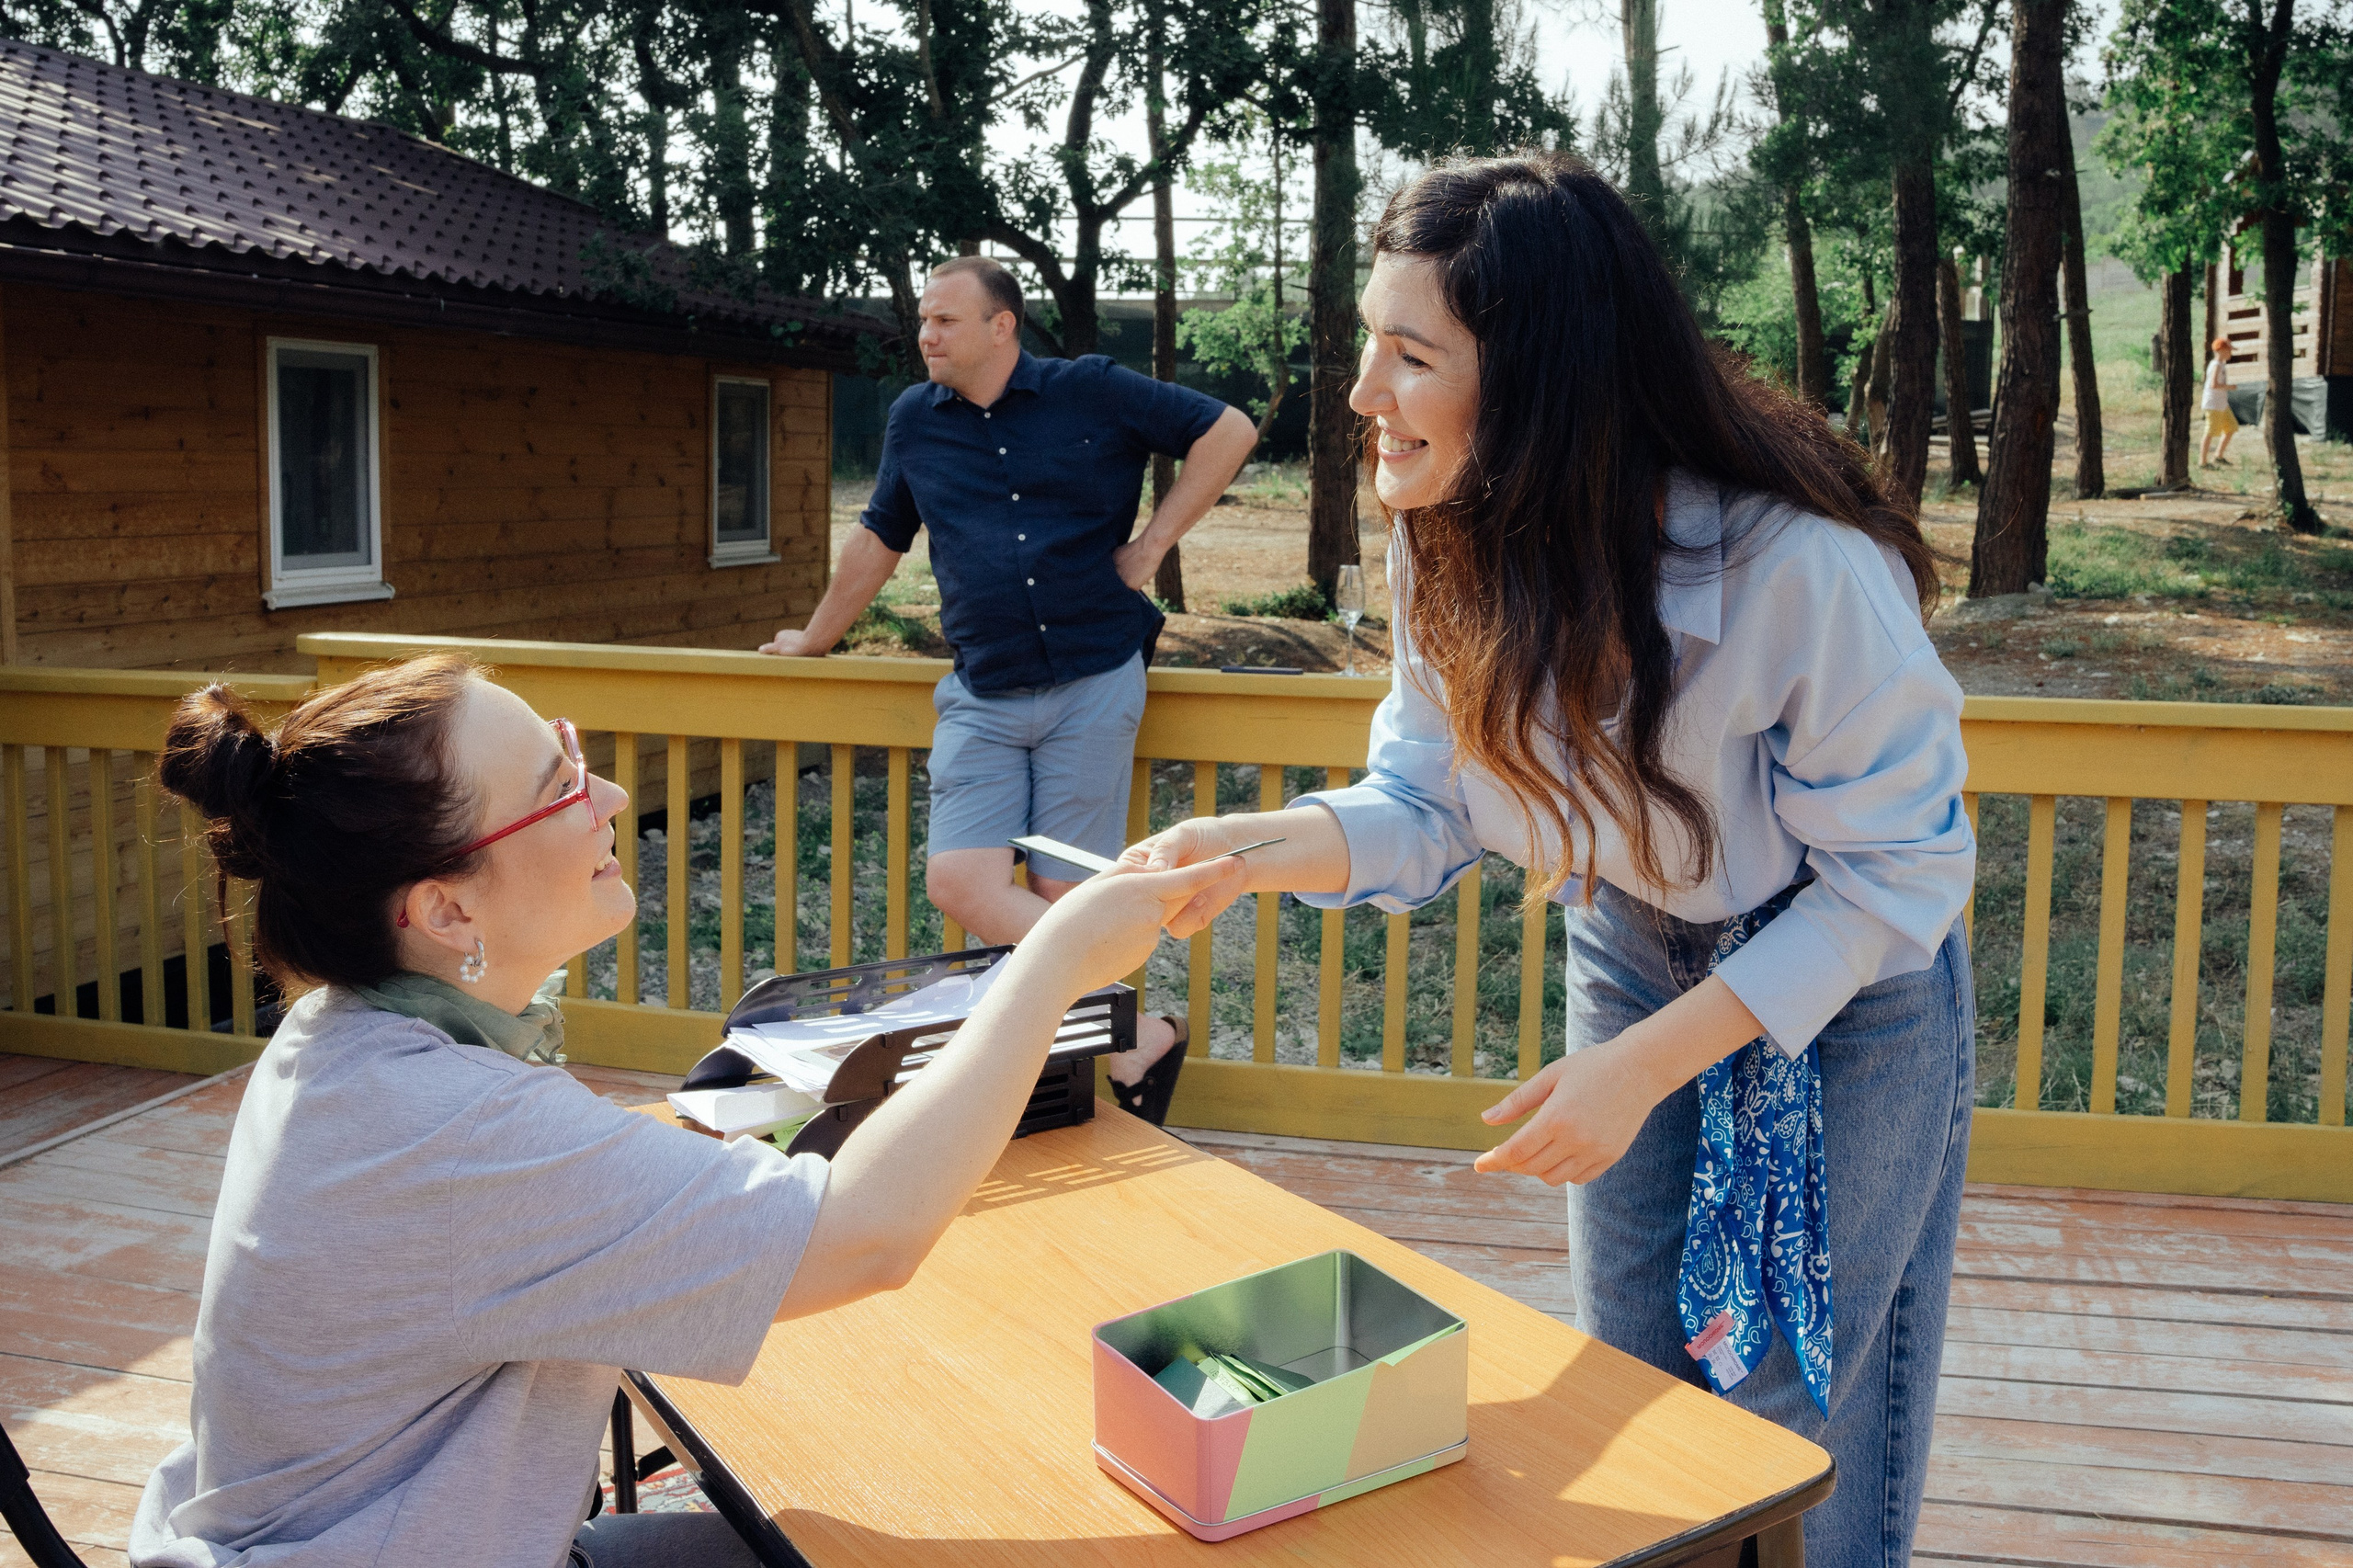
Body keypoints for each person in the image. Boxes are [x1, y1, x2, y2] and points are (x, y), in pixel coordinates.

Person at [1126, 153, 1975, 1568]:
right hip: (1633, 951)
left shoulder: (1803, 572)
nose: (1360, 400)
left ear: (1544, 383)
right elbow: (1430, 800)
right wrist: (1251, 848)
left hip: (1847, 999)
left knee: (1788, 1406)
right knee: (1628, 1372)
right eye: (1367, 349)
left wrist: (1645, 1066)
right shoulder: (1445, 535)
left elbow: (1895, 878)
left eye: (1409, 357)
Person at [127, 653, 1241, 1568]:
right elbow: (866, 1236)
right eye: (556, 786)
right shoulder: (443, 1128)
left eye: (569, 750)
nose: (607, 794)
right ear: (445, 906)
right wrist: (1050, 960)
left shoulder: (347, 1042)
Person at [759, 256, 1258, 1125]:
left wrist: (1149, 550)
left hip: (1094, 677)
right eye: (922, 320)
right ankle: (1136, 1037)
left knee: (1066, 899)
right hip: (983, 690)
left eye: (944, 320)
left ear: (1003, 326)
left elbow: (1230, 430)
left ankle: (1057, 1077)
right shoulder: (915, 420)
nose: (926, 336)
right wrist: (816, 639)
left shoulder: (1092, 390)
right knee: (962, 880)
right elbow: (880, 536)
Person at [2201, 335, 2239, 469]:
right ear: (2221, 351)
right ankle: (2203, 462)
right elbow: (2213, 385)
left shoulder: (2221, 365)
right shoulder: (2216, 365)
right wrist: (2230, 387)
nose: (2230, 353)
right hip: (2213, 404)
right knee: (2210, 432)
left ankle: (2218, 455)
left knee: (2232, 427)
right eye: (2229, 350)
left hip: (2222, 403)